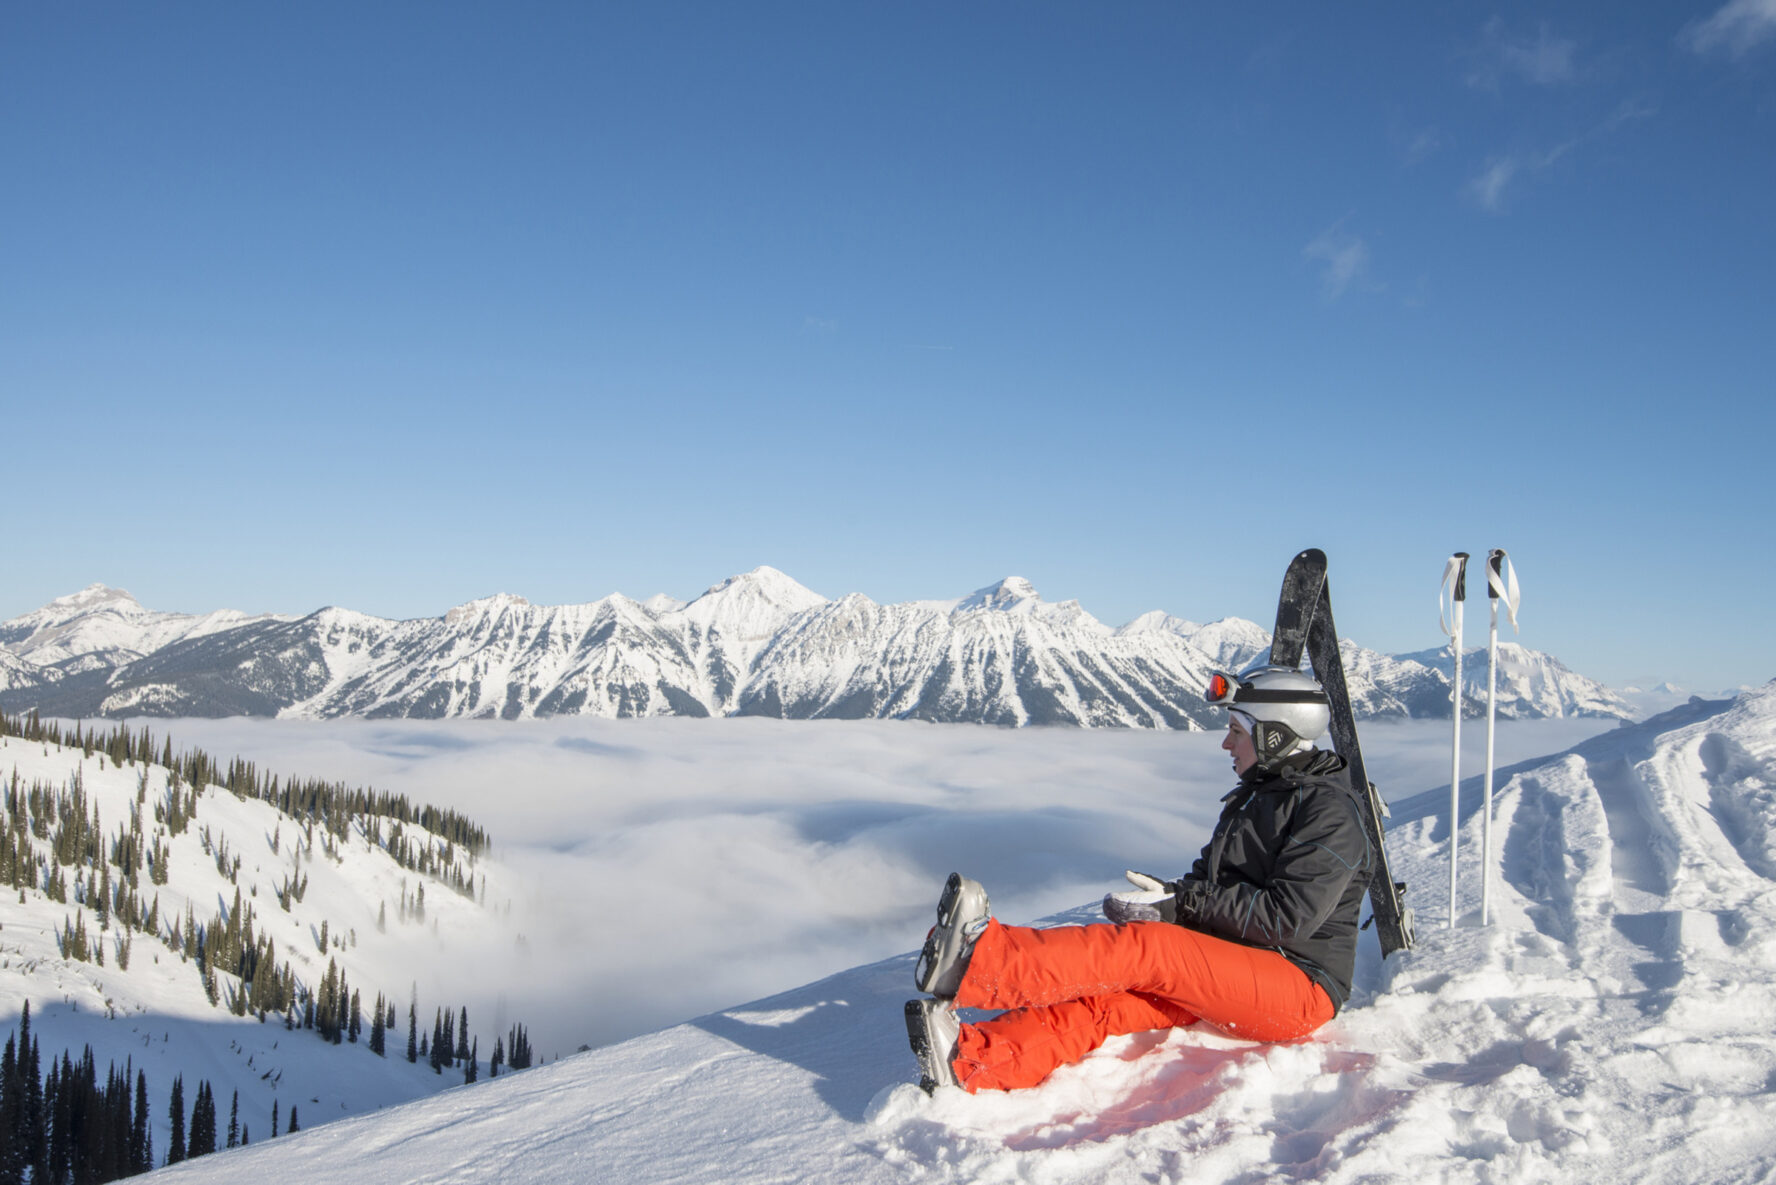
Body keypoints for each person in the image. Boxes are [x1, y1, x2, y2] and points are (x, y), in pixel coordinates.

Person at [904, 664, 1375, 1094]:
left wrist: (1182, 906)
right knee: (1117, 998)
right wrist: (1161, 902)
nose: (1226, 743)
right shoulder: (1257, 798)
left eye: (1235, 731)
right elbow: (1209, 882)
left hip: (1300, 987)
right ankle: (975, 1061)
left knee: (1153, 952)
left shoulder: (1329, 813)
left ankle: (979, 962)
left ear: (1275, 737)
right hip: (1245, 963)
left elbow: (1286, 918)